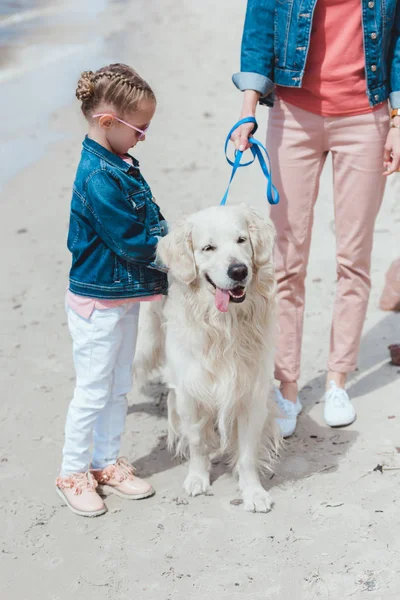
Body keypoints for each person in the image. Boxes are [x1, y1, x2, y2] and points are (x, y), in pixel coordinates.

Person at [232, 0, 400, 437]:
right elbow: (259, 32)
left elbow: (398, 42)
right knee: (285, 261)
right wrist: (248, 112)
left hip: (367, 117)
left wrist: (399, 122)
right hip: (292, 116)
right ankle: (286, 386)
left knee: (353, 258)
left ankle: (337, 381)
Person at [56, 64, 168, 517]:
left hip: (123, 296)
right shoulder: (98, 177)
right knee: (94, 387)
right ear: (108, 122)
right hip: (97, 302)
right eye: (139, 129)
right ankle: (71, 471)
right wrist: (175, 255)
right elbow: (131, 240)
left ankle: (105, 463)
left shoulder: (122, 164)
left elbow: (152, 217)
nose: (143, 137)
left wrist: (164, 235)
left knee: (120, 383)